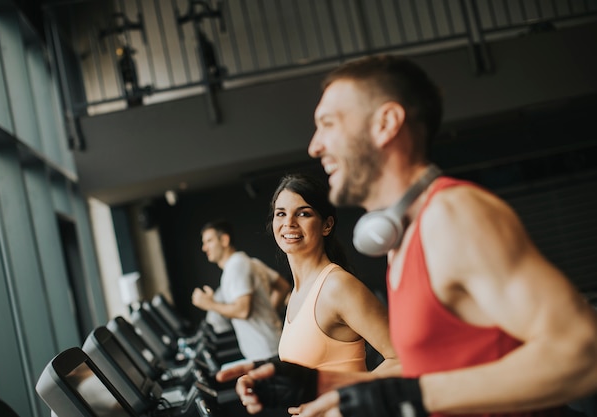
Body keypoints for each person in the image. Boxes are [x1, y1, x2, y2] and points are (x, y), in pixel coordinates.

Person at [217, 54, 597, 417]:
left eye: (329, 124)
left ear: (385, 124)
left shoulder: (452, 215)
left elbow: (583, 355)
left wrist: (411, 397)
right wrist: (322, 383)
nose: (315, 145)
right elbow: (432, 369)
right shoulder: (402, 239)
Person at [268, 172, 398, 373]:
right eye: (281, 213)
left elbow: (402, 358)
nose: (289, 223)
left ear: (327, 225)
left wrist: (344, 398)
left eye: (303, 213)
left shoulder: (337, 287)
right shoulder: (297, 294)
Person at [192, 219, 290, 361]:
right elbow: (283, 286)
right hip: (271, 344)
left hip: (265, 352)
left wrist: (209, 304)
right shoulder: (250, 262)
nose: (204, 248)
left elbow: (243, 311)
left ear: (224, 240)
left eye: (209, 241)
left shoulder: (236, 266)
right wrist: (269, 312)